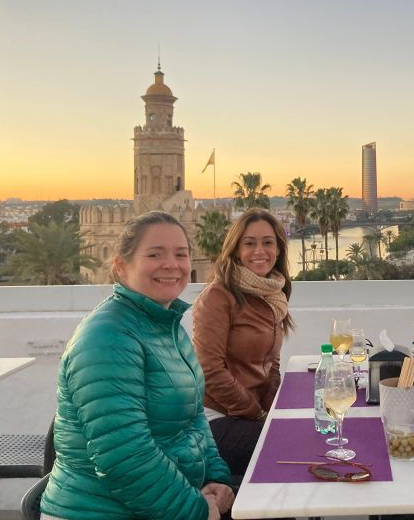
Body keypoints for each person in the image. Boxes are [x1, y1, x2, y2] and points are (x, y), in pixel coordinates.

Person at [40, 211, 233, 520]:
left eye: (181, 254)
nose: (171, 264)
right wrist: (196, 510)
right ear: (121, 266)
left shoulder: (167, 327)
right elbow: (125, 457)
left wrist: (216, 478)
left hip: (164, 505)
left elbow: (193, 418)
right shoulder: (107, 336)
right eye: (155, 254)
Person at [193, 209, 294, 484]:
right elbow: (210, 371)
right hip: (215, 417)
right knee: (291, 448)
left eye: (267, 242)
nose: (259, 251)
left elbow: (271, 364)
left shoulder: (273, 294)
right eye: (249, 243)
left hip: (249, 413)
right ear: (236, 249)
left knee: (307, 434)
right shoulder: (218, 296)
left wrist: (272, 410)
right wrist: (257, 414)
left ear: (278, 249)